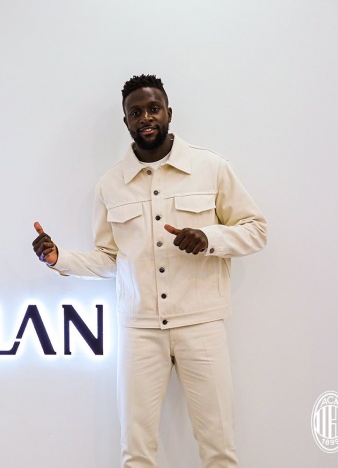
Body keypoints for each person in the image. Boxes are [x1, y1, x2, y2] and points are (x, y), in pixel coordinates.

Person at [32, 74, 266, 467]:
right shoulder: (110, 185)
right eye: (136, 112)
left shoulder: (211, 168)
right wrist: (59, 258)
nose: (146, 117)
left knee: (219, 448)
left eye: (153, 108)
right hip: (139, 332)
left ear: (169, 112)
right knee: (136, 452)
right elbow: (110, 258)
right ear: (125, 121)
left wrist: (209, 238)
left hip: (201, 325)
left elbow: (256, 230)